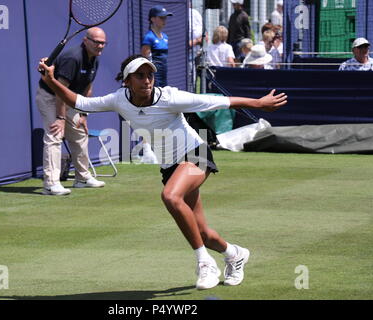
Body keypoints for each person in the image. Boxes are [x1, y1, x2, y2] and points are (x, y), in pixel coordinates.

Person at [39, 54, 287, 289]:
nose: (146, 80)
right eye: (140, 75)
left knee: (170, 197)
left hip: (194, 153)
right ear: (127, 81)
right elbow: (79, 102)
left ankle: (205, 263)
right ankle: (235, 254)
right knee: (201, 232)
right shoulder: (118, 99)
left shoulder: (170, 97)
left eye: (150, 75)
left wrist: (258, 103)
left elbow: (216, 101)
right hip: (170, 166)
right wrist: (51, 80)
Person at [36, 27, 106, 195]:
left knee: (80, 133)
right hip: (50, 97)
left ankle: (82, 178)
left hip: (69, 99)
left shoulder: (95, 59)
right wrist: (60, 118)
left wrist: (83, 114)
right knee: (55, 134)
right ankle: (51, 184)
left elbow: (87, 88)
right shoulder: (72, 58)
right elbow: (60, 91)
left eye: (103, 43)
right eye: (97, 42)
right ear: (85, 40)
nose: (100, 46)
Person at [141, 5, 173, 87]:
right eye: (161, 17)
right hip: (154, 75)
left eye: (165, 17)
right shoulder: (149, 37)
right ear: (153, 19)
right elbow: (146, 59)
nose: (164, 20)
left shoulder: (165, 37)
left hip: (164, 73)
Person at [188, 4, 203, 92]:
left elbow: (204, 34)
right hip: (187, 56)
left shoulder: (196, 13)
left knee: (198, 79)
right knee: (190, 81)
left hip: (199, 53)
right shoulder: (180, 14)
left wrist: (201, 40)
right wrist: (196, 41)